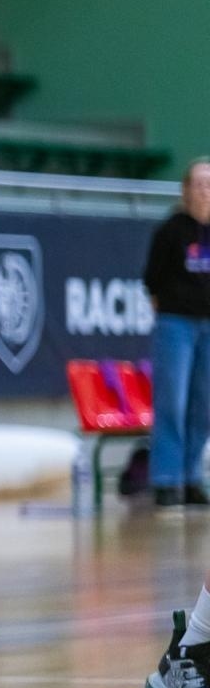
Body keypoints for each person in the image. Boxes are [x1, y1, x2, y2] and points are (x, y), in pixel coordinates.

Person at [143, 158, 210, 508]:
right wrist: (170, 307)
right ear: (186, 190)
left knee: (204, 405)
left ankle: (192, 477)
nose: (204, 190)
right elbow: (151, 278)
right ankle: (166, 480)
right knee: (172, 401)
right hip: (177, 324)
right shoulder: (171, 231)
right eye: (197, 183)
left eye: (209, 184)